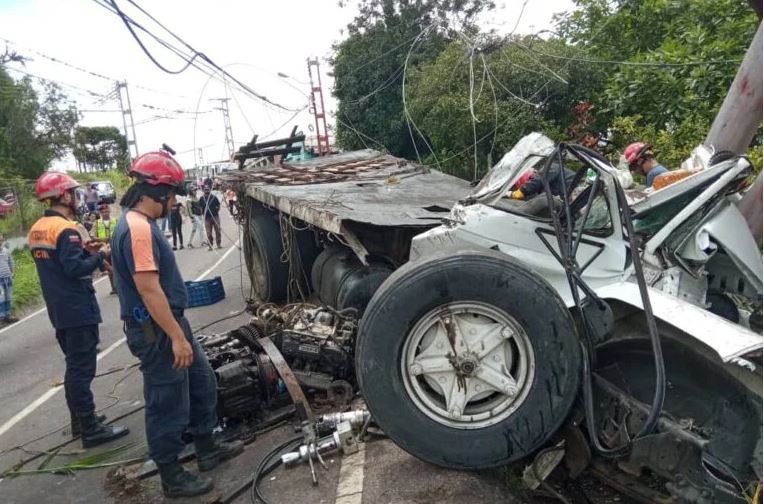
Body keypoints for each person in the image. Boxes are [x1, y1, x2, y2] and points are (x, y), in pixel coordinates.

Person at [111, 151, 242, 498]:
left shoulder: (141, 224)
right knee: (167, 401)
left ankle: (207, 448)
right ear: (155, 192)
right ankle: (171, 475)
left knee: (202, 382)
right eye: (170, 195)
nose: (173, 203)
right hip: (157, 331)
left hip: (170, 324)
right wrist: (175, 338)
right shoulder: (138, 229)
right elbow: (148, 288)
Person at [28, 171, 129, 447]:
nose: (76, 197)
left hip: (58, 308)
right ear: (63, 196)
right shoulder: (65, 229)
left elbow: (56, 265)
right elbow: (74, 268)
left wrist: (86, 250)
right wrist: (100, 255)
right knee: (81, 369)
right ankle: (90, 427)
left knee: (74, 365)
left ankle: (80, 421)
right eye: (72, 192)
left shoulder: (38, 228)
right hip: (77, 306)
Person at [94, 204, 119, 294]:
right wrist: (101, 239)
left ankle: (120, 286)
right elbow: (92, 235)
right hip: (104, 249)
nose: (104, 213)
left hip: (115, 247)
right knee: (109, 269)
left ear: (109, 211)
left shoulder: (115, 221)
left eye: (106, 211)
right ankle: (113, 288)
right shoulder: (97, 223)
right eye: (102, 212)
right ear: (100, 213)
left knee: (118, 267)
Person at [0, 234, 17, 324]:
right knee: (1, 298)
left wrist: (13, 272)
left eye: (1, 240)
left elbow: (11, 262)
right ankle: (1, 317)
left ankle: (8, 315)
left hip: (8, 278)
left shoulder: (6, 251)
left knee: (8, 297)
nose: (0, 242)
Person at [199, 186, 222, 251]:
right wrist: (203, 214)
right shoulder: (201, 198)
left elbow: (218, 205)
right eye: (205, 190)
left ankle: (218, 244)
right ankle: (210, 245)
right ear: (203, 191)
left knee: (217, 230)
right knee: (208, 233)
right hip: (207, 218)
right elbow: (200, 207)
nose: (206, 191)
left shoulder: (214, 197)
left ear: (209, 190)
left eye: (207, 189)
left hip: (215, 216)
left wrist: (216, 211)